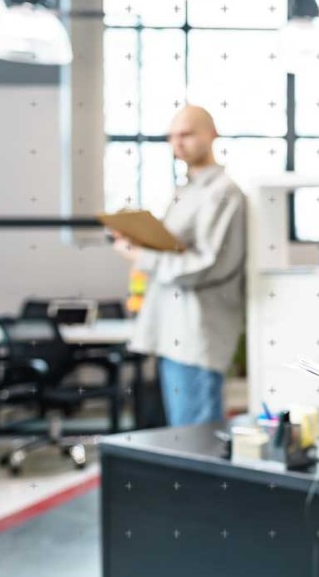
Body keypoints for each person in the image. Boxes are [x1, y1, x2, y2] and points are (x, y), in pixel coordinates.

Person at [113, 105, 246, 427]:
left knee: (196, 436)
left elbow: (207, 265)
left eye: (187, 134)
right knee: (183, 433)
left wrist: (140, 256)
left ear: (212, 134)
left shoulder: (223, 194)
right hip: (172, 330)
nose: (178, 143)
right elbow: (175, 250)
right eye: (172, 136)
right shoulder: (187, 191)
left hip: (196, 334)